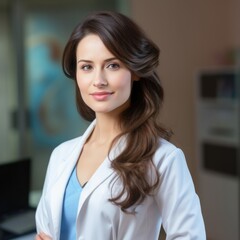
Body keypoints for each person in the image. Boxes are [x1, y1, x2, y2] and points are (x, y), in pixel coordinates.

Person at [35, 10, 206, 240]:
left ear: (134, 71)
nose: (99, 80)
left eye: (113, 65)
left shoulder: (163, 160)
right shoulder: (60, 156)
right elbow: (45, 231)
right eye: (87, 67)